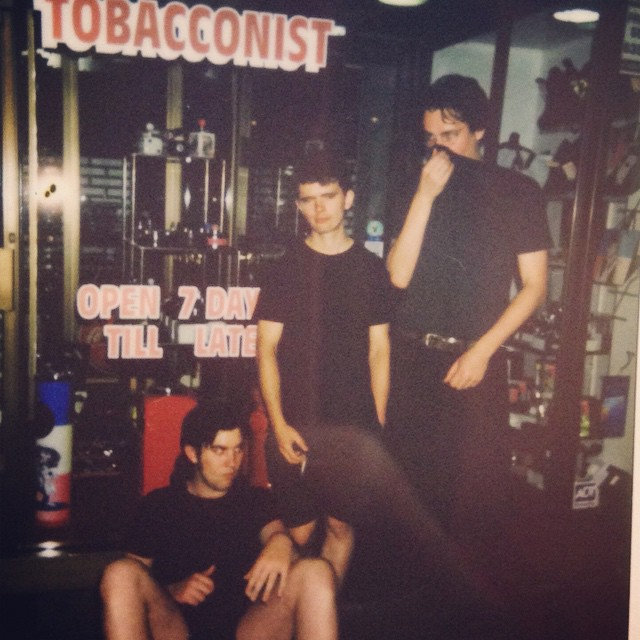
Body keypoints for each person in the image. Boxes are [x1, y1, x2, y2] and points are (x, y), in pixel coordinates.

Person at [386, 74, 551, 541]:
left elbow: (535, 287)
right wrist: (424, 196)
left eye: (451, 134)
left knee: (470, 505)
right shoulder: (418, 184)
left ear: (479, 130)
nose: (439, 148)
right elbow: (397, 277)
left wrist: (482, 351)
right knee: (406, 500)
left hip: (475, 359)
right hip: (412, 356)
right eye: (431, 138)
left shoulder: (518, 191)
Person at [255, 149, 392, 584]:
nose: (319, 209)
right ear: (298, 205)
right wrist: (278, 424)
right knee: (296, 534)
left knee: (339, 527)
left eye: (328, 196)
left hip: (351, 424)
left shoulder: (371, 269)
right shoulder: (284, 268)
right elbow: (266, 350)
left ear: (347, 198)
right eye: (308, 200)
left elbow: (379, 350)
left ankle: (322, 613)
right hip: (296, 420)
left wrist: (377, 426)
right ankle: (291, 612)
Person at [100, 401, 338, 640]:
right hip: (177, 627)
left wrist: (281, 541)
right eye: (219, 450)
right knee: (119, 574)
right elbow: (135, 578)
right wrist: (172, 590)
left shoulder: (255, 499)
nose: (232, 462)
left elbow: (277, 536)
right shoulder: (158, 505)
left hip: (248, 627)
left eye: (238, 449)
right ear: (192, 453)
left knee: (316, 571)